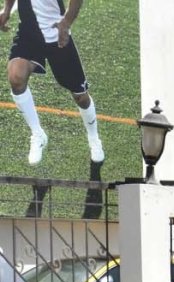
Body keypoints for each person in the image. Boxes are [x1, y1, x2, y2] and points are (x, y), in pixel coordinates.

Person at [1, 0, 102, 166]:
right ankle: (38, 134)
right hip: (28, 33)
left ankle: (94, 137)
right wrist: (6, 10)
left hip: (55, 33)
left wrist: (67, 22)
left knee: (81, 97)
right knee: (15, 77)